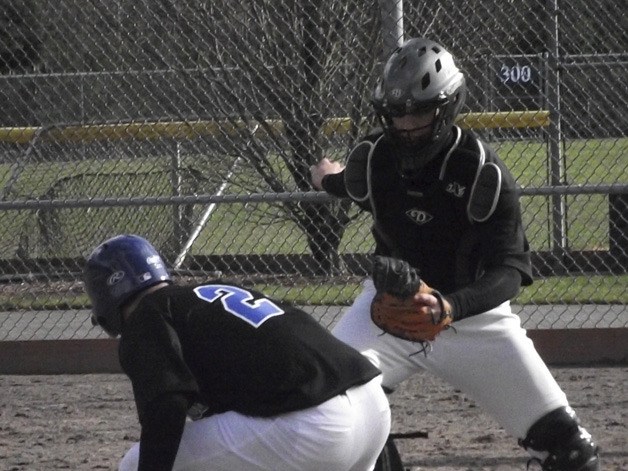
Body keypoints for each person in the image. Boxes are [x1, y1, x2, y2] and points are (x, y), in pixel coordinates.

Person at [310, 37, 600, 471]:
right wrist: (326, 177)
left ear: (448, 107)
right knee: (322, 412)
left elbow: (510, 270)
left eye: (420, 112)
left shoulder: (483, 172)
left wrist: (450, 305)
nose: (407, 126)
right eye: (397, 115)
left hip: (472, 319)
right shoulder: (374, 160)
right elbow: (348, 183)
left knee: (572, 455)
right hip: (388, 313)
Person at [83, 234, 391, 471]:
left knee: (136, 462)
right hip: (373, 409)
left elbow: (166, 408)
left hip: (313, 426)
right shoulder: (210, 293)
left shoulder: (145, 317)